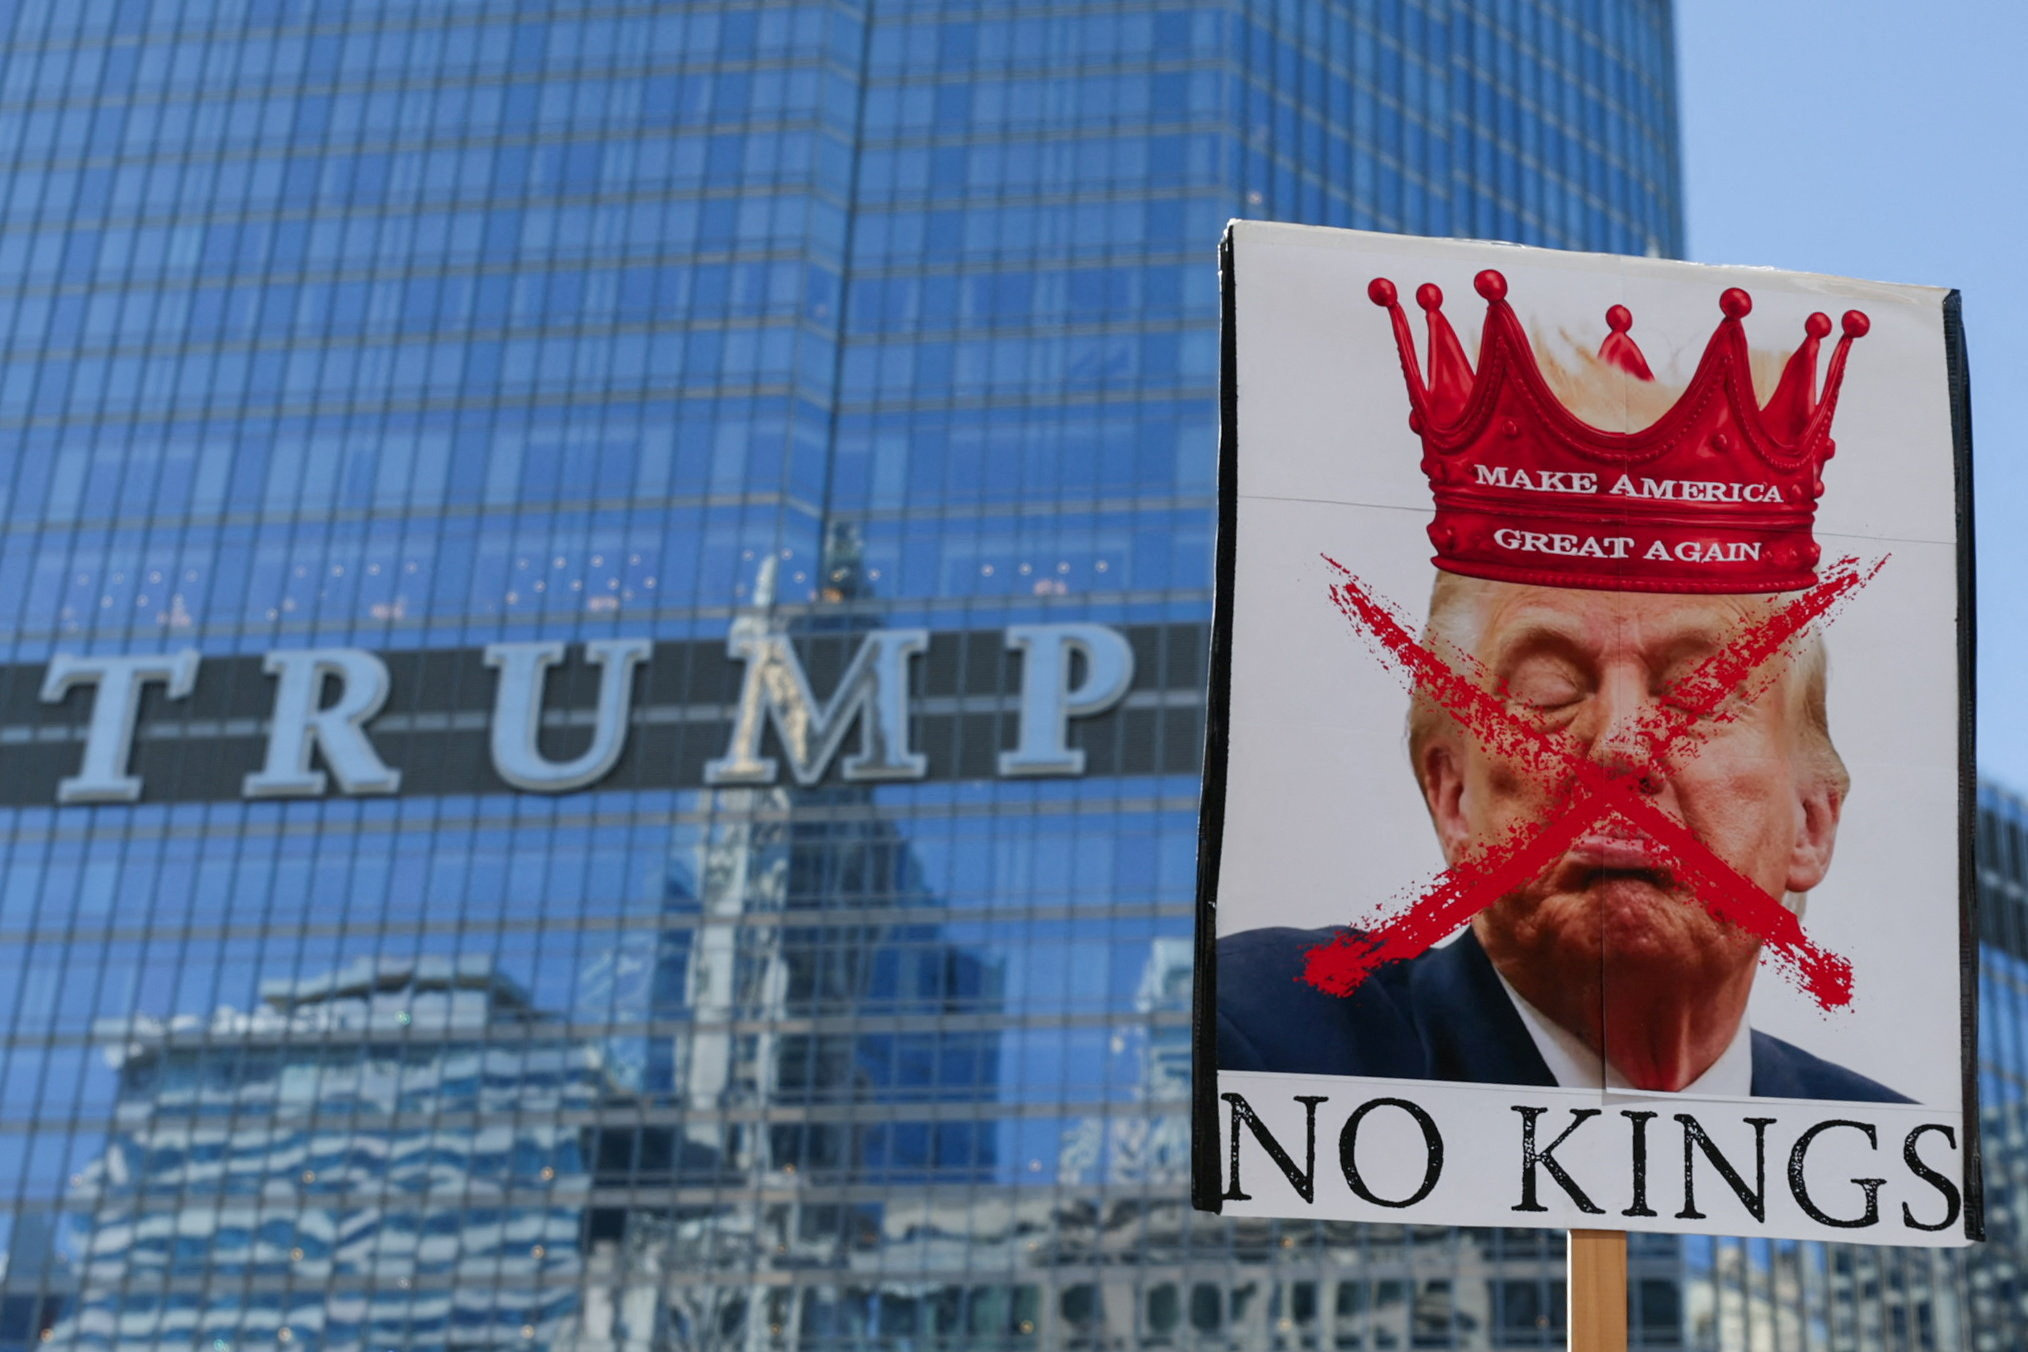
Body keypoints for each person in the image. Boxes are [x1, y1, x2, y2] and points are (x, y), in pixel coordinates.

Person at [1216, 270, 1908, 1103]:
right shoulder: (1265, 1039)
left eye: (1696, 694)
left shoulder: (1883, 1144)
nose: (1619, 746)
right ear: (1452, 796)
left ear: (1812, 824)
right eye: (1549, 692)